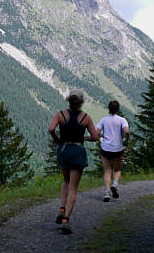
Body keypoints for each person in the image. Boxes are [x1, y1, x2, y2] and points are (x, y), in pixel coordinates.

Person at [48, 89, 98, 234]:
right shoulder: (86, 118)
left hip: (63, 150)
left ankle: (61, 209)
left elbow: (51, 128)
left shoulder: (61, 114)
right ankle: (66, 220)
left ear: (68, 100)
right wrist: (85, 138)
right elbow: (95, 137)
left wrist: (56, 139)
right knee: (73, 188)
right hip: (77, 151)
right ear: (81, 102)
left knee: (66, 181)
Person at [96, 100, 129, 202]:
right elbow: (126, 131)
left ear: (108, 109)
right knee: (117, 170)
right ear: (118, 109)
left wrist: (103, 136)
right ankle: (114, 184)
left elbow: (96, 133)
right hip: (118, 149)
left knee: (107, 170)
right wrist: (126, 140)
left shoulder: (103, 120)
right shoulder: (122, 120)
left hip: (106, 148)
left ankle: (106, 193)